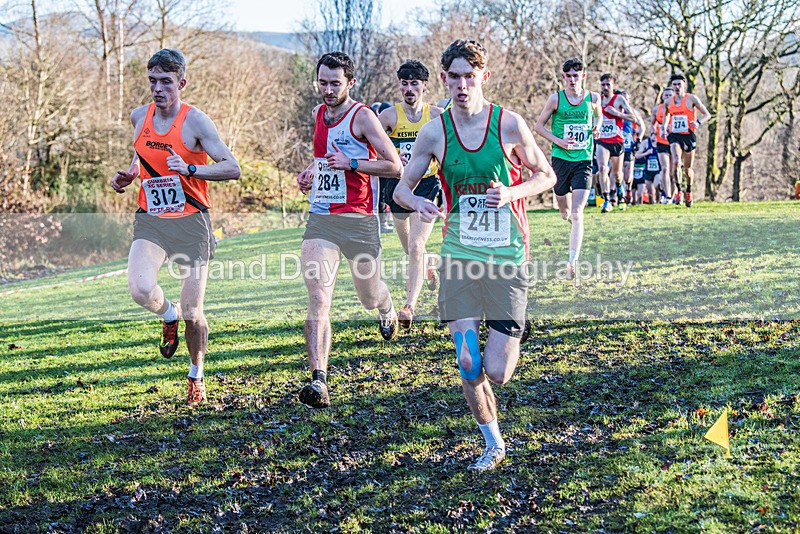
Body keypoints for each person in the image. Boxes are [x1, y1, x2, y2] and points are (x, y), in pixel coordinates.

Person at [394, 39, 556, 471]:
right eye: (455, 77)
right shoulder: (434, 131)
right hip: (459, 257)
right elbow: (400, 189)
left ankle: (513, 332)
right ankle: (493, 443)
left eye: (471, 76)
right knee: (468, 360)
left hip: (507, 258)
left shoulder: (509, 124)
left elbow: (546, 175)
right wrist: (419, 203)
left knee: (498, 371)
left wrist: (512, 192)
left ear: (483, 77)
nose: (462, 84)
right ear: (444, 79)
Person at [111, 49, 241, 406]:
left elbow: (232, 168)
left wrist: (190, 170)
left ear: (181, 83)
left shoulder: (196, 122)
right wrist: (131, 174)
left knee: (193, 314)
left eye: (165, 82)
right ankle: (166, 315)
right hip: (151, 218)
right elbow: (143, 153)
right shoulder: (139, 116)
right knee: (140, 288)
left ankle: (196, 374)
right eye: (152, 81)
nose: (157, 88)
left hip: (191, 222)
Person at [296, 52, 403, 408]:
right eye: (322, 82)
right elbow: (322, 159)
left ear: (351, 83)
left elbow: (394, 165)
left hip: (359, 220)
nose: (327, 90)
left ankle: (386, 307)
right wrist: (309, 175)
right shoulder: (317, 115)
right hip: (322, 216)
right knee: (318, 296)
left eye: (335, 84)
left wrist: (353, 162)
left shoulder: (363, 118)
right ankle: (319, 380)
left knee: (368, 296)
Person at [378, 60, 444, 328]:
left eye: (414, 83)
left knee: (416, 245)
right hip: (398, 188)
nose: (409, 89)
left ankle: (409, 306)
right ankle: (430, 264)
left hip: (427, 185)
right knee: (409, 248)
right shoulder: (389, 117)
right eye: (404, 84)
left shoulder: (437, 116)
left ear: (424, 85)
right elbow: (367, 140)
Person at [534, 56, 601, 279]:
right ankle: (567, 216)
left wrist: (597, 127)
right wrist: (559, 141)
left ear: (583, 76)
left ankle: (572, 261)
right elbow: (538, 127)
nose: (572, 80)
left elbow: (599, 116)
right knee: (564, 210)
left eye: (576, 76)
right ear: (563, 77)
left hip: (583, 160)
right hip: (561, 159)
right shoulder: (556, 99)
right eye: (568, 76)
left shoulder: (593, 98)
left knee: (577, 212)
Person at [595, 74, 640, 212]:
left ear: (614, 86)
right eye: (603, 85)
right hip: (602, 140)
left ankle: (620, 193)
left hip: (617, 141)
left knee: (617, 174)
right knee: (602, 168)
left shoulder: (619, 99)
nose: (605, 87)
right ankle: (606, 200)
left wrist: (617, 113)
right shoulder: (597, 100)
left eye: (608, 84)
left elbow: (633, 118)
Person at [666, 74, 711, 207]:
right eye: (674, 85)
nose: (677, 87)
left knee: (687, 169)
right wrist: (665, 127)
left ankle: (689, 191)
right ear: (671, 86)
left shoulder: (691, 98)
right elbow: (667, 116)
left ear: (684, 85)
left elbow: (707, 114)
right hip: (675, 135)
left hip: (688, 135)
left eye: (679, 84)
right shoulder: (669, 101)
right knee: (675, 162)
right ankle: (678, 192)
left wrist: (698, 122)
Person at [371, 101, 395, 233]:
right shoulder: (376, 127)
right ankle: (382, 222)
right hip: (379, 167)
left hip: (388, 167)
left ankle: (384, 221)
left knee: (385, 196)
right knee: (380, 196)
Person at [650, 86, 674, 203]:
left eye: (670, 95)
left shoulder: (677, 108)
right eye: (666, 95)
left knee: (673, 172)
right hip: (661, 142)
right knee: (665, 169)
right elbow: (652, 124)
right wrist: (653, 132)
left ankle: (675, 195)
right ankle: (668, 196)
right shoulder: (657, 109)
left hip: (675, 142)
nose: (668, 97)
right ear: (662, 97)